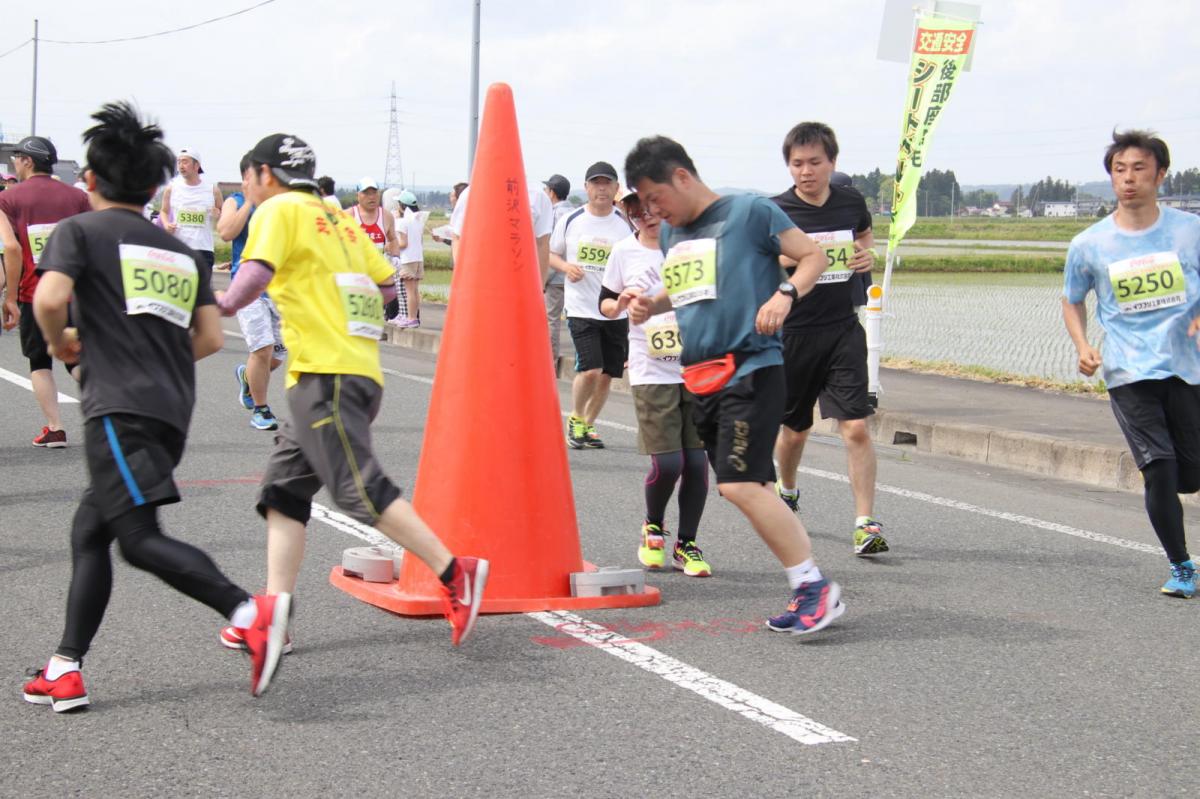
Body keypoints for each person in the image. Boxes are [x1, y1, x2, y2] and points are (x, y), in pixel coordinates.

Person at [22, 102, 289, 712]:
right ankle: (65, 668)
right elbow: (211, 340)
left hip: (118, 408)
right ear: (153, 187)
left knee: (138, 538)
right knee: (91, 532)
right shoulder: (175, 251)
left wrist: (66, 343)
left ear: (88, 180)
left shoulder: (80, 232)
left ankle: (247, 612)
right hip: (168, 409)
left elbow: (51, 297)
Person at [214, 132, 488, 649]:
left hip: (327, 376)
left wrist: (223, 305)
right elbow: (387, 286)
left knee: (356, 489)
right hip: (344, 370)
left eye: (248, 178)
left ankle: (455, 573)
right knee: (283, 494)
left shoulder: (278, 209)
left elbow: (255, 272)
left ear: (264, 174)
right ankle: (275, 616)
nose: (248, 188)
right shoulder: (337, 217)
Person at [624, 135, 844, 635]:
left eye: (656, 199)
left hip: (751, 367)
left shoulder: (750, 212)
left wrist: (785, 295)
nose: (653, 212)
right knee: (750, 486)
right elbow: (685, 290)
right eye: (644, 206)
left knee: (739, 483)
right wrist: (649, 304)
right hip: (701, 375)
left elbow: (812, 257)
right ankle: (806, 585)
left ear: (681, 177)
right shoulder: (671, 238)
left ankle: (814, 587)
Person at [1063, 129, 1200, 599]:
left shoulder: (1190, 230)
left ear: (1160, 174)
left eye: (1139, 168)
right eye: (1119, 170)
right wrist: (1083, 345)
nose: (1128, 179)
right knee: (1158, 467)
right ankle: (1182, 566)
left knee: (1191, 472)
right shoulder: (1090, 243)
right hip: (1128, 371)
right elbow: (1073, 300)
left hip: (1188, 367)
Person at [770, 123, 888, 557]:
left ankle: (865, 523)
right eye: (797, 163)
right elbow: (760, 258)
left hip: (842, 327)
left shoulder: (851, 201)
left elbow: (863, 235)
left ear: (832, 163)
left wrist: (863, 255)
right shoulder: (776, 210)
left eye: (815, 162)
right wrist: (801, 256)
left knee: (855, 426)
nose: (806, 171)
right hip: (794, 334)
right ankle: (787, 489)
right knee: (795, 432)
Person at [600, 190, 711, 576]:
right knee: (668, 463)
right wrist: (620, 305)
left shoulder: (690, 246)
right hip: (651, 369)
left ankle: (688, 544)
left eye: (651, 208)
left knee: (697, 463)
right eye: (636, 210)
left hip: (696, 366)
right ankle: (653, 526)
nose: (645, 216)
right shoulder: (623, 252)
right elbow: (606, 303)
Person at [0, 135, 90, 448]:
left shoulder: (9, 199)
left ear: (27, 160)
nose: (14, 162)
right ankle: (115, 410)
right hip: (75, 291)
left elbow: (10, 248)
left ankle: (55, 428)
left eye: (16, 157)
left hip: (33, 292)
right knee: (77, 360)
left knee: (39, 362)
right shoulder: (76, 197)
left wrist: (8, 296)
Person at [549, 162, 634, 449]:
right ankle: (575, 417)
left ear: (615, 188)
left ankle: (588, 423)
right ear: (586, 187)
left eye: (606, 183)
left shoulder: (624, 223)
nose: (601, 188)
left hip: (615, 310)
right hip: (581, 308)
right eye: (595, 183)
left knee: (608, 374)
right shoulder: (572, 220)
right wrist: (566, 267)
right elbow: (551, 253)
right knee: (591, 369)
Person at [217, 152, 285, 431]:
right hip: (248, 287)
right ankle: (261, 409)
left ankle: (247, 377)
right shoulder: (236, 201)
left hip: (279, 289)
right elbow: (226, 232)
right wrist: (250, 203)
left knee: (276, 357)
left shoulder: (279, 204)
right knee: (262, 348)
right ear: (248, 177)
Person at [160, 147, 222, 272]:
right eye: (179, 162)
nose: (181, 166)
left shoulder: (212, 190)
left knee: (202, 290)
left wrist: (218, 214)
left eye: (185, 162)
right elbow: (163, 211)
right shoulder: (172, 188)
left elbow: (223, 213)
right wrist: (166, 224)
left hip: (203, 248)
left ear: (197, 165)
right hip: (180, 246)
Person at [543, 173, 573, 367]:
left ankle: (550, 361)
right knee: (576, 318)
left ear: (552, 192)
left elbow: (549, 248)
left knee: (552, 318)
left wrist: (544, 278)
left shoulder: (552, 214)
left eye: (547, 189)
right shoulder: (576, 213)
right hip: (575, 276)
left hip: (555, 276)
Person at [394, 189, 424, 328]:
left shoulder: (402, 222)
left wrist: (391, 246)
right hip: (418, 258)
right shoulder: (418, 220)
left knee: (409, 291)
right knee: (415, 291)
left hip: (408, 259)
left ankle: (411, 318)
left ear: (402, 206)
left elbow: (403, 243)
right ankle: (414, 317)